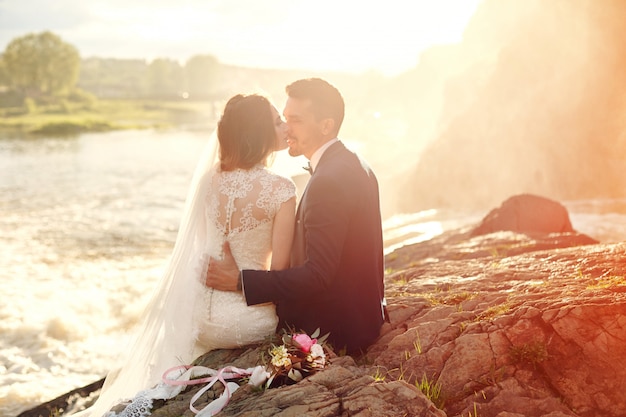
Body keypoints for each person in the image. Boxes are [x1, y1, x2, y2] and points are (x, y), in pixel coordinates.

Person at [74, 94, 297, 416]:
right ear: (259, 132)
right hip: (247, 321)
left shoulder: (210, 179)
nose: (285, 126)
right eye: (278, 121)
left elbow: (206, 249)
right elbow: (279, 273)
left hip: (197, 318)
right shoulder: (282, 189)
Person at [206, 78, 387, 354]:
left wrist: (239, 281)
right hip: (363, 314)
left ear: (326, 125)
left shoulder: (329, 180)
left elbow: (317, 275)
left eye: (296, 120)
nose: (286, 128)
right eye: (285, 118)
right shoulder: (353, 162)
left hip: (338, 327)